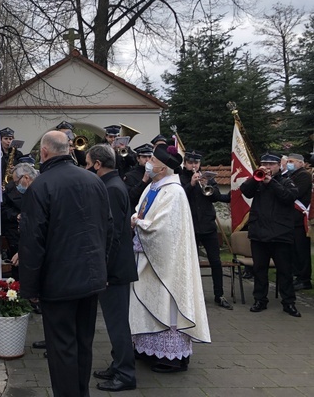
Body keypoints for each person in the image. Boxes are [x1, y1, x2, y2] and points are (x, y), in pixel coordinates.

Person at [20, 131, 112, 397]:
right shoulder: (94, 182)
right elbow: (108, 230)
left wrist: (30, 288)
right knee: (84, 342)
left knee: (61, 348)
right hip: (91, 279)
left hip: (58, 282)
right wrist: (102, 268)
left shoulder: (40, 186)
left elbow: (32, 243)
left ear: (45, 152)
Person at [129, 144, 210, 373]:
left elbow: (164, 228)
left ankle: (171, 358)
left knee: (166, 304)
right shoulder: (154, 186)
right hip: (147, 258)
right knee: (147, 303)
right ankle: (147, 348)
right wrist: (137, 218)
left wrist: (139, 223)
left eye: (152, 160)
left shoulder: (174, 191)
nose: (148, 163)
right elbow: (140, 209)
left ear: (163, 168)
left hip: (167, 263)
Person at [86, 145, 138, 392]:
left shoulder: (113, 189)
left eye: (87, 163)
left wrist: (104, 269)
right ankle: (118, 364)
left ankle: (126, 374)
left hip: (115, 269)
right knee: (113, 321)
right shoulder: (111, 185)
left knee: (118, 324)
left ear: (97, 164)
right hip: (113, 267)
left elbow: (114, 234)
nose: (85, 168)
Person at [240, 153, 301, 316]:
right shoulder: (257, 180)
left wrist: (271, 182)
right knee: (260, 270)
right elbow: (245, 191)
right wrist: (255, 178)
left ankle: (288, 303)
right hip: (259, 233)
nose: (267, 167)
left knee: (285, 271)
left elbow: (289, 197)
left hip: (281, 234)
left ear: (278, 166)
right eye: (264, 164)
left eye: (271, 164)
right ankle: (260, 300)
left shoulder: (286, 181)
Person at [179, 150, 233, 310]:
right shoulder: (180, 177)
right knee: (191, 263)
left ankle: (219, 295)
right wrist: (192, 184)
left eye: (196, 163)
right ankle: (192, 296)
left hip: (208, 227)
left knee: (215, 262)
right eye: (191, 163)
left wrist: (207, 184)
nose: (194, 165)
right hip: (191, 227)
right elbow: (180, 196)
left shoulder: (208, 177)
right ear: (186, 163)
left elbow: (215, 196)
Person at [3, 160, 39, 279]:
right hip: (17, 235)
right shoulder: (13, 190)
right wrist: (16, 216)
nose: (16, 185)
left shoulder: (40, 190)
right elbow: (5, 208)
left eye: (17, 182)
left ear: (26, 177)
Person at [286, 153, 312, 291]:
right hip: (292, 219)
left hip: (299, 218)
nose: (289, 163)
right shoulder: (291, 176)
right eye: (288, 161)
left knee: (301, 250)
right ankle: (297, 275)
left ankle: (304, 279)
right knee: (294, 250)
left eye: (292, 161)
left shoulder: (304, 175)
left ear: (301, 163)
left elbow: (296, 192)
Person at [123, 143, 153, 207]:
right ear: (138, 158)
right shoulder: (130, 175)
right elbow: (130, 197)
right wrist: (143, 181)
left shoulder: (155, 173)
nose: (147, 159)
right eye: (144, 157)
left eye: (150, 157)